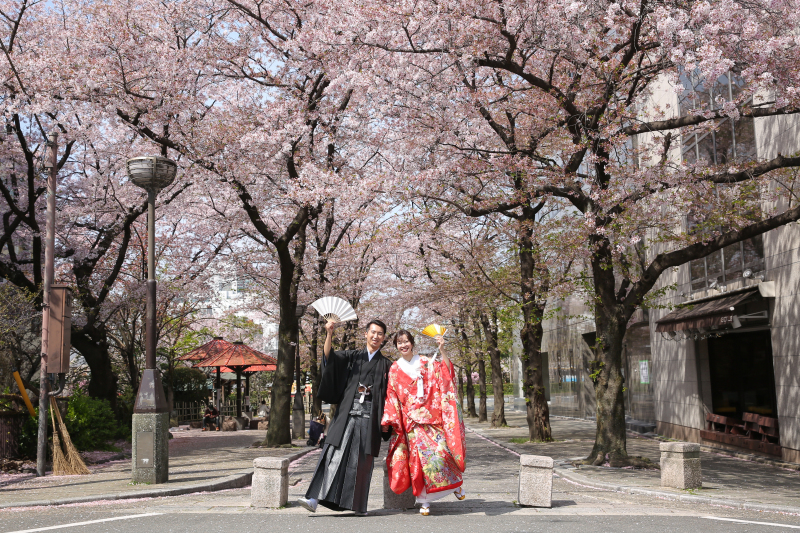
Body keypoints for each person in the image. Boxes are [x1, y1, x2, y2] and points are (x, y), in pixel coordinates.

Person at [298, 319, 393, 516]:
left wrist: (388, 420)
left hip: (369, 418)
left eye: (380, 334)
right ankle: (313, 499)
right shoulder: (352, 357)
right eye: (372, 332)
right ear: (365, 334)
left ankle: (358, 505)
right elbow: (329, 357)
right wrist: (329, 334)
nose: (376, 336)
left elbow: (392, 396)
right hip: (346, 414)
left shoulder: (386, 365)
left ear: (383, 338)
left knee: (361, 462)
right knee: (332, 455)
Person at [381, 330, 466, 516]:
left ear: (412, 343)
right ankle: (424, 501)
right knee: (418, 462)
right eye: (399, 343)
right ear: (396, 346)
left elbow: (446, 374)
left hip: (430, 418)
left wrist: (442, 349)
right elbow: (392, 394)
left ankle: (454, 485)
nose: (403, 345)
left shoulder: (427, 362)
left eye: (406, 341)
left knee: (442, 453)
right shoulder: (395, 368)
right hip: (411, 421)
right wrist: (391, 419)